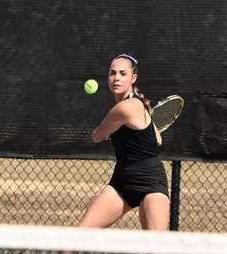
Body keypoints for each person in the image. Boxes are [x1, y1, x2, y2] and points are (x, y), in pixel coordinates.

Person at [62, 54, 169, 253]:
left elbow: (96, 136)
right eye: (112, 73)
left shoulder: (125, 107)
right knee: (72, 244)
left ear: (133, 78)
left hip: (151, 184)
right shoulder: (138, 105)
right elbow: (158, 140)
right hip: (122, 185)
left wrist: (108, 132)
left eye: (122, 73)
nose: (116, 78)